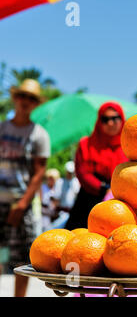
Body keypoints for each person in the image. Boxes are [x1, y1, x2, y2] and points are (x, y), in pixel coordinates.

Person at [0, 79, 50, 297]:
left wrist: (21, 205)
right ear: (15, 98)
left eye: (31, 98)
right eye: (23, 96)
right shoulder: (2, 129)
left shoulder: (39, 134)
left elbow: (38, 174)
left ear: (35, 104)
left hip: (22, 203)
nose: (26, 102)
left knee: (21, 260)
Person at [64, 102, 128, 230]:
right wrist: (105, 189)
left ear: (122, 119)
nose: (110, 123)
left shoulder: (130, 146)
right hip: (89, 201)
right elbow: (83, 173)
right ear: (99, 121)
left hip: (123, 203)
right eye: (105, 119)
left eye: (115, 118)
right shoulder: (86, 144)